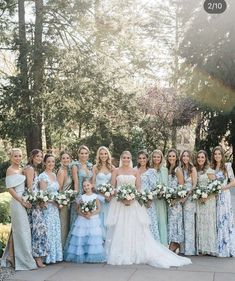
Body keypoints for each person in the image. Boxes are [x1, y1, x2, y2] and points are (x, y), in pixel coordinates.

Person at [105, 151, 191, 268]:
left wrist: (130, 197)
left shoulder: (135, 172)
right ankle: (121, 252)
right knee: (121, 227)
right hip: (119, 203)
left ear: (130, 159)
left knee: (133, 228)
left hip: (132, 202)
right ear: (121, 158)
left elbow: (138, 188)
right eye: (124, 157)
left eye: (128, 157)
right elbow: (112, 188)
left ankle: (133, 252)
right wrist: (121, 197)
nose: (126, 159)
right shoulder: (116, 171)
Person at [1, 148, 37, 270]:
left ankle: (11, 257)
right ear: (11, 157)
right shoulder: (10, 170)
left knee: (17, 230)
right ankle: (24, 260)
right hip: (17, 202)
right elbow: (10, 189)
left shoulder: (22, 170)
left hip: (24, 200)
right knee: (22, 230)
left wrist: (28, 199)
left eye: (20, 156)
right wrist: (22, 201)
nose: (18, 158)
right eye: (15, 156)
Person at [64, 179, 106, 263]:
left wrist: (91, 214)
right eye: (84, 186)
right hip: (82, 219)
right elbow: (78, 210)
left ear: (91, 186)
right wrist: (84, 215)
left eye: (88, 185)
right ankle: (81, 255)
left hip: (93, 219)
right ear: (83, 188)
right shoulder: (81, 197)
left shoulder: (95, 196)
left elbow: (98, 209)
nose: (86, 187)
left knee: (92, 238)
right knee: (81, 237)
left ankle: (92, 256)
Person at [24, 149, 49, 268]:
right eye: (37, 156)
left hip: (37, 203)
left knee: (38, 230)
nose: (39, 158)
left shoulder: (34, 168)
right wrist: (38, 201)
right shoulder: (29, 168)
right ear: (32, 156)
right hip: (33, 204)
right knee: (38, 231)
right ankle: (37, 259)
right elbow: (30, 188)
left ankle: (37, 257)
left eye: (41, 156)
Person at [39, 154, 63, 264]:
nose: (51, 164)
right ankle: (47, 257)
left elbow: (57, 191)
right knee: (48, 231)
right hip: (47, 207)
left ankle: (55, 256)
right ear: (44, 163)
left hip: (55, 208)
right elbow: (43, 196)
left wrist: (60, 201)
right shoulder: (43, 176)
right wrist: (54, 201)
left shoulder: (54, 174)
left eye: (53, 161)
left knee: (55, 230)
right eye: (48, 161)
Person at [211, 146, 235, 257]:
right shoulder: (211, 167)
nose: (217, 156)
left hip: (224, 196)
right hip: (214, 197)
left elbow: (233, 182)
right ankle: (216, 246)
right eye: (215, 154)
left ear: (222, 155)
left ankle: (226, 247)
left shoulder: (227, 166)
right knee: (216, 220)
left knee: (224, 220)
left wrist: (222, 188)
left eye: (219, 154)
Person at [195, 150, 217, 256]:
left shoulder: (210, 171)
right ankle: (201, 247)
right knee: (200, 223)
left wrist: (206, 197)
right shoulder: (197, 170)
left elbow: (215, 188)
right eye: (198, 157)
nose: (200, 159)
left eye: (202, 157)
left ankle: (209, 247)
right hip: (199, 200)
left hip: (208, 201)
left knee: (208, 223)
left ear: (206, 158)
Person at [136, 150, 160, 241]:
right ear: (137, 160)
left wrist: (150, 199)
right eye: (140, 158)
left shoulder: (151, 171)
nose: (142, 160)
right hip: (137, 201)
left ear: (147, 159)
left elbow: (155, 188)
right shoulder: (134, 170)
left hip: (148, 202)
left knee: (150, 223)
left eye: (144, 158)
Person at [92, 146, 114, 240]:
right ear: (98, 155)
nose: (103, 155)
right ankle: (100, 240)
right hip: (99, 196)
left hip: (109, 198)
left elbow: (113, 183)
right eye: (101, 154)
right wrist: (101, 193)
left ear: (108, 155)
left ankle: (109, 240)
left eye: (105, 153)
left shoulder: (112, 167)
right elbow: (93, 183)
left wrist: (109, 194)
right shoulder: (95, 167)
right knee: (100, 217)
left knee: (109, 217)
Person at [166, 149, 184, 254]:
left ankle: (175, 243)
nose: (171, 158)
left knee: (175, 222)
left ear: (176, 158)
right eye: (169, 156)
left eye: (173, 156)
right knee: (171, 222)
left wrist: (176, 199)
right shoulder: (167, 169)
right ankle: (173, 242)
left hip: (176, 202)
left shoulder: (178, 169)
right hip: (169, 201)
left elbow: (181, 186)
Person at [179, 150, 197, 256]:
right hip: (181, 198)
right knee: (183, 223)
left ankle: (190, 249)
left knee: (189, 223)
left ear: (190, 157)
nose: (185, 157)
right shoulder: (181, 169)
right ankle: (182, 248)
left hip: (189, 199)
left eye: (187, 156)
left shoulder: (192, 169)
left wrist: (186, 196)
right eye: (183, 155)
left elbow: (194, 185)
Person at [150, 149, 168, 245]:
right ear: (152, 158)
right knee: (152, 221)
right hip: (151, 199)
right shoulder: (149, 169)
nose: (156, 158)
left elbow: (166, 184)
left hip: (161, 200)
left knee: (161, 220)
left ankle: (163, 243)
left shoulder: (165, 170)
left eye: (158, 157)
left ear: (161, 158)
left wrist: (162, 192)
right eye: (154, 157)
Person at [71, 145, 93, 226]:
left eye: (86, 153)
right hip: (80, 192)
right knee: (79, 216)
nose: (84, 155)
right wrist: (78, 197)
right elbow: (76, 182)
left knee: (89, 215)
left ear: (88, 154)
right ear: (78, 154)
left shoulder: (90, 166)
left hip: (89, 194)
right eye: (82, 153)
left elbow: (91, 181)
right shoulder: (75, 166)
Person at [57, 151, 73, 248]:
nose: (66, 160)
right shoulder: (61, 171)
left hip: (69, 201)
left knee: (67, 225)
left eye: (67, 158)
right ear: (61, 160)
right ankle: (61, 249)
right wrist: (63, 201)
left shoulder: (69, 170)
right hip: (63, 202)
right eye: (63, 158)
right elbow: (60, 188)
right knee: (63, 225)